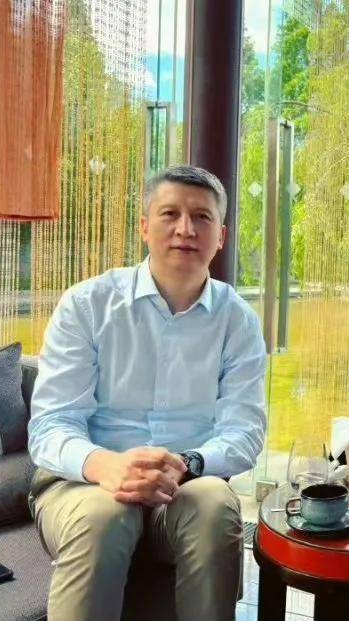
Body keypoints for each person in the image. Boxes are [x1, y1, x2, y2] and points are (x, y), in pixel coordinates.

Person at [28, 165, 267, 621]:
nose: (185, 229)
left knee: (215, 506)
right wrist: (109, 467)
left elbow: (245, 431)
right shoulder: (87, 304)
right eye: (170, 213)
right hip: (83, 481)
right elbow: (51, 425)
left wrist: (188, 463)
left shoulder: (237, 320)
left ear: (220, 236)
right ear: (143, 226)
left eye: (202, 217)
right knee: (102, 517)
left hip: (185, 485)